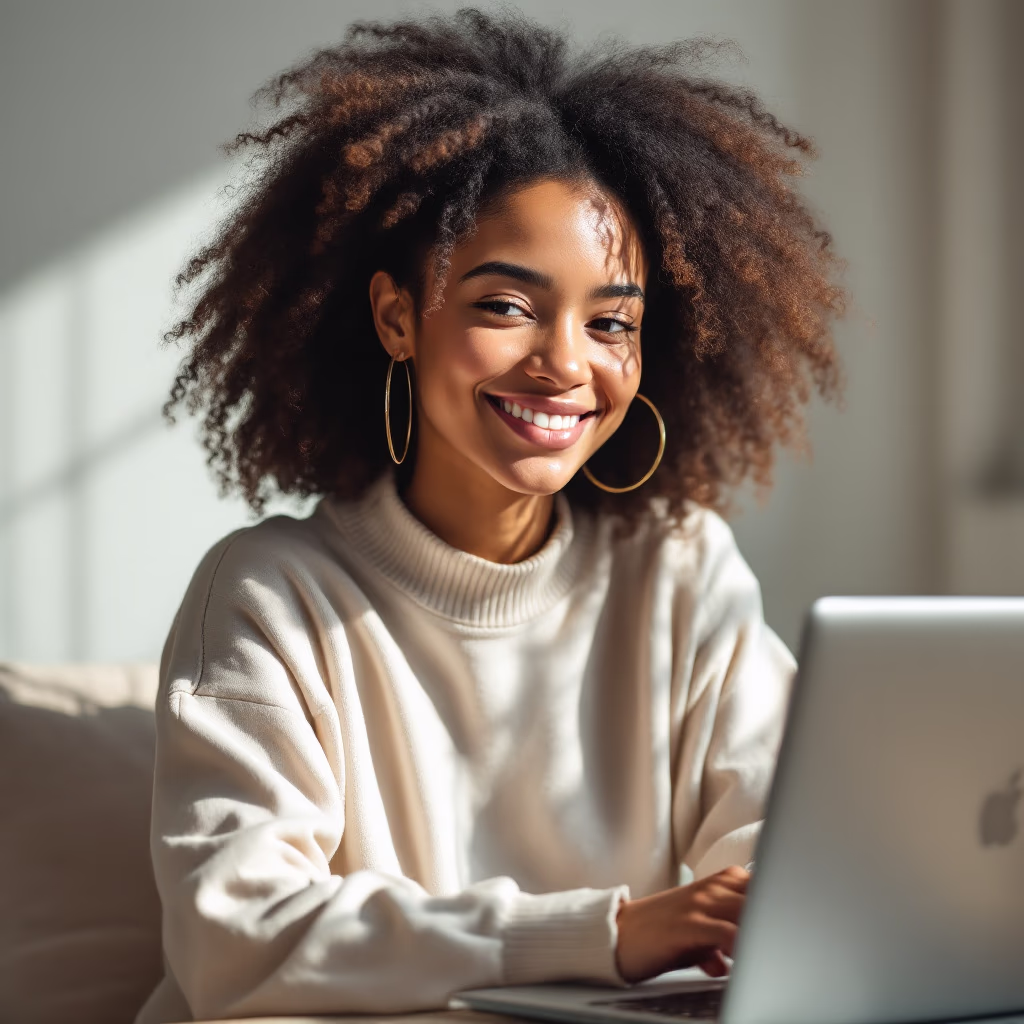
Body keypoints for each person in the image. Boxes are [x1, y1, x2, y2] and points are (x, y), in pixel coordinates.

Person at [136, 9, 845, 1023]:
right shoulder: (269, 596)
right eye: (506, 306)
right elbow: (234, 940)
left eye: (610, 323)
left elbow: (782, 854)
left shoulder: (679, 570)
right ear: (395, 315)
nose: (565, 364)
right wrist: (610, 932)